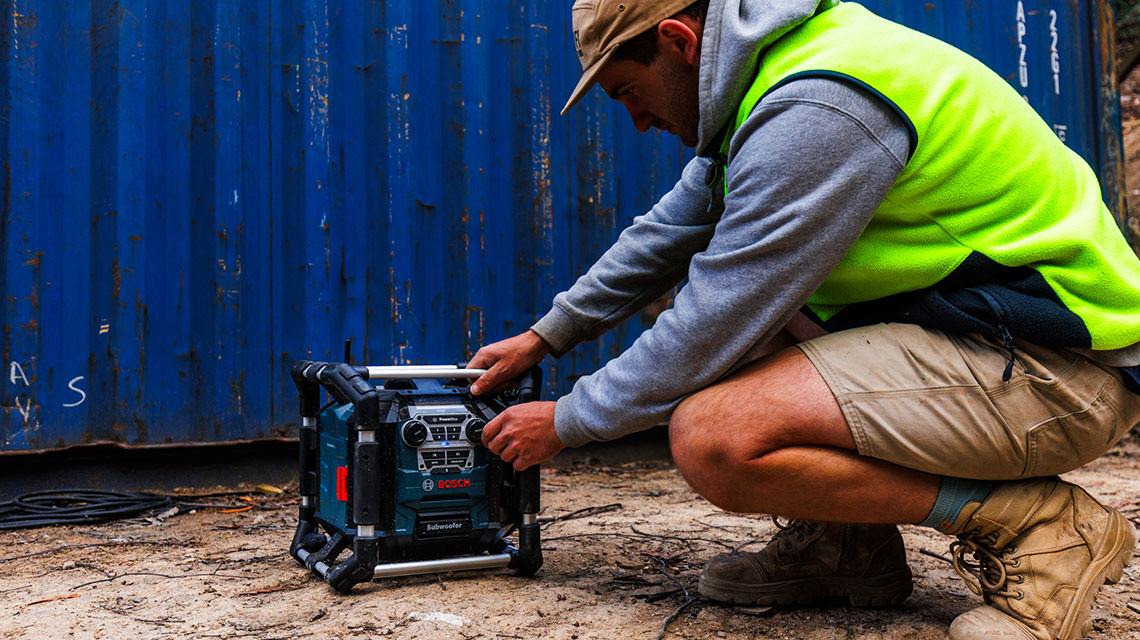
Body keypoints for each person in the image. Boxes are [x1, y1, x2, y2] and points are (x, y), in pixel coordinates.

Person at [467, 1, 1140, 638]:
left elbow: (717, 315)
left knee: (717, 437)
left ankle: (1044, 529)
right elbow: (669, 234)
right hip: (984, 342)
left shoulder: (817, 106)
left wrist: (568, 420)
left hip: (1062, 373)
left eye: (628, 92)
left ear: (678, 41)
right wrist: (545, 335)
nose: (638, 121)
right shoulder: (774, 74)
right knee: (741, 328)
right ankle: (846, 544)